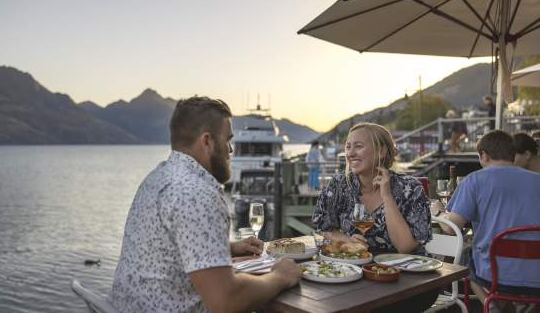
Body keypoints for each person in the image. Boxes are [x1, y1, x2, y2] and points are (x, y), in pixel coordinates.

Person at [109, 96, 301, 313]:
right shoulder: (197, 193)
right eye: (227, 140)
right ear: (207, 141)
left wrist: (229, 248)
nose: (230, 150)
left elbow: (168, 249)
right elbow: (226, 301)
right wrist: (280, 276)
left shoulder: (156, 178)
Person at [312, 122, 435, 312]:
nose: (350, 153)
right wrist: (347, 241)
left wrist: (387, 196)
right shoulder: (339, 185)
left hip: (407, 280)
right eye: (348, 146)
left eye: (358, 146)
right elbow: (325, 229)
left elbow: (405, 247)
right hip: (357, 274)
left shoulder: (410, 188)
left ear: (381, 152)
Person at [431, 130, 540, 311]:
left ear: (483, 155)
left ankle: (493, 307)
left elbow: (450, 229)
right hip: (536, 273)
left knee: (466, 258)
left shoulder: (474, 180)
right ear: (512, 155)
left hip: (494, 276)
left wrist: (439, 213)